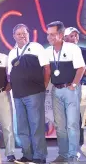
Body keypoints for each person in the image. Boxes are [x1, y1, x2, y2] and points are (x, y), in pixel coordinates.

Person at [8, 24, 50, 164]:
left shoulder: (37, 47)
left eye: (24, 33)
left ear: (28, 34)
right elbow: (10, 75)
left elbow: (47, 68)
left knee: (36, 125)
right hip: (18, 96)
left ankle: (39, 156)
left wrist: (42, 87)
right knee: (22, 128)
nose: (22, 35)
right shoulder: (12, 53)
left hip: (34, 94)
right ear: (14, 36)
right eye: (18, 33)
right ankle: (27, 155)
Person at [46, 21, 85, 163]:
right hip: (56, 91)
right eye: (48, 34)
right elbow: (46, 71)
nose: (49, 37)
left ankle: (72, 156)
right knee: (60, 126)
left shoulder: (73, 49)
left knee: (72, 125)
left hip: (70, 90)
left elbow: (81, 68)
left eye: (52, 34)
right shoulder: (47, 51)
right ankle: (62, 154)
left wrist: (74, 85)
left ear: (61, 35)